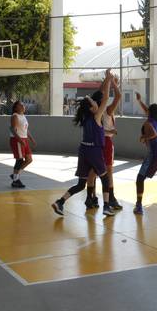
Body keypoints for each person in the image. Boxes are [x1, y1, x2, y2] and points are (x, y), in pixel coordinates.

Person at [51, 70, 117, 217]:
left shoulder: (86, 117)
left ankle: (60, 202)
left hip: (83, 150)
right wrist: (108, 80)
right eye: (94, 103)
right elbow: (105, 97)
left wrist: (106, 80)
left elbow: (98, 96)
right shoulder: (96, 116)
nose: (96, 103)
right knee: (105, 179)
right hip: (94, 151)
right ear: (93, 107)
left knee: (81, 183)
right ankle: (106, 206)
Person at [84, 74, 122, 210]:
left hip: (93, 142)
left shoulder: (91, 112)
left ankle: (91, 197)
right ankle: (110, 198)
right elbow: (118, 96)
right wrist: (113, 83)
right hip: (105, 141)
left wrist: (107, 79)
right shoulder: (106, 110)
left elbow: (100, 93)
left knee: (93, 170)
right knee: (109, 171)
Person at [9, 101, 36, 188]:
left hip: (24, 139)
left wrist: (31, 139)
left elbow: (25, 129)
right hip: (17, 140)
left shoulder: (23, 116)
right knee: (19, 160)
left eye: (23, 105)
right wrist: (20, 140)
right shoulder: (15, 116)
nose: (23, 106)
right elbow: (12, 130)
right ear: (16, 107)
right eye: (21, 105)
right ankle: (15, 181)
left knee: (29, 159)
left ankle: (15, 176)